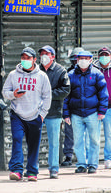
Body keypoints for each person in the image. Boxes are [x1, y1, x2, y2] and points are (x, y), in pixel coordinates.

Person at [2, 47, 52, 181]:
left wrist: (42, 114)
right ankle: (17, 170)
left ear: (34, 60)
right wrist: (13, 94)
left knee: (34, 144)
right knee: (17, 140)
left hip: (35, 115)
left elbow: (47, 96)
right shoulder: (13, 74)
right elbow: (4, 92)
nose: (25, 60)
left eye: (28, 58)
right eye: (23, 58)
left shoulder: (42, 76)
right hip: (17, 114)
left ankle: (32, 172)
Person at [63, 50, 108, 174]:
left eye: (85, 58)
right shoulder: (71, 75)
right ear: (77, 60)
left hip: (93, 113)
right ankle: (81, 164)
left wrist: (102, 111)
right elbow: (66, 96)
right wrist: (66, 114)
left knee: (94, 140)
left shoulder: (97, 74)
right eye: (80, 58)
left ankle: (93, 164)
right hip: (76, 114)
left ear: (90, 60)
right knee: (77, 141)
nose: (83, 61)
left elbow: (103, 94)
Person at [38, 45, 70, 178]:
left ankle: (54, 169)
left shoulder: (60, 71)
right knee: (34, 141)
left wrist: (48, 94)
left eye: (47, 53)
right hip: (36, 112)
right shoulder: (35, 70)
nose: (44, 56)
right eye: (42, 54)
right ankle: (33, 168)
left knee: (54, 142)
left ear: (53, 56)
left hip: (53, 112)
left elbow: (66, 90)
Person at [62, 47, 84, 166]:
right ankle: (68, 156)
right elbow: (65, 94)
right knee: (69, 133)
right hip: (72, 108)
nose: (76, 63)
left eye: (78, 60)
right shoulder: (68, 74)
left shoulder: (92, 73)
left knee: (86, 135)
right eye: (74, 60)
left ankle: (85, 158)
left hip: (87, 109)